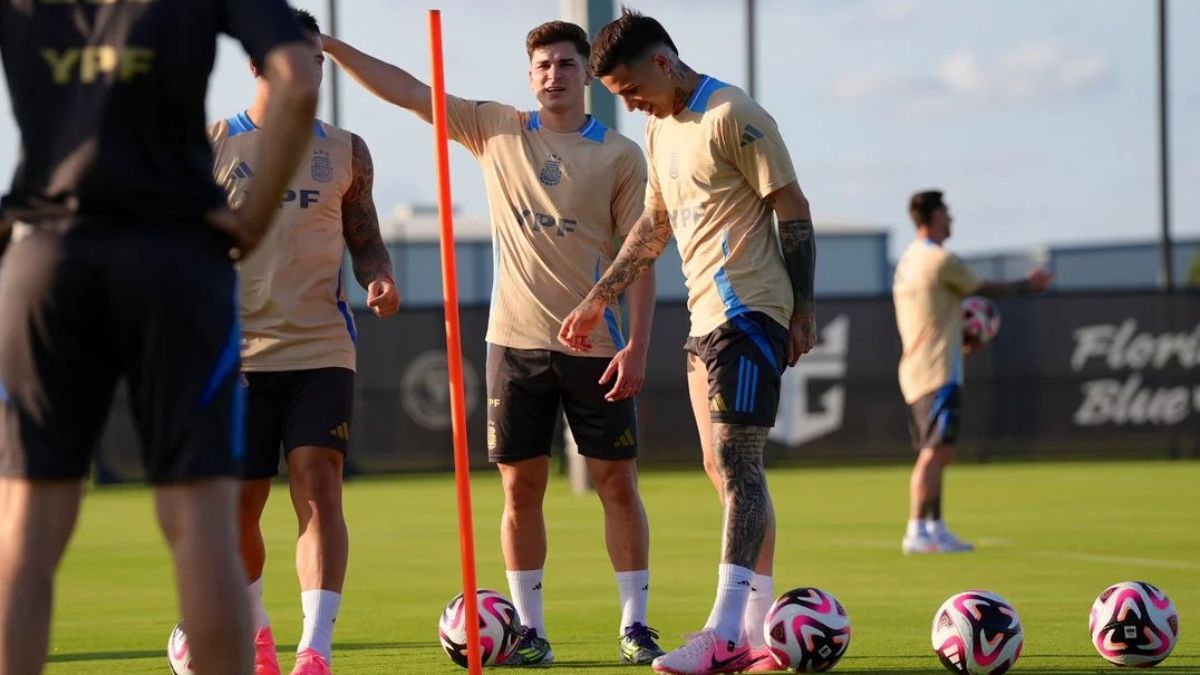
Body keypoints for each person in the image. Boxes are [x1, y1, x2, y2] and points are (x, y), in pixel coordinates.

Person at [322, 20, 664, 666]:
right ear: (529, 75)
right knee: (520, 490)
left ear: (587, 75)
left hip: (597, 347)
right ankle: (529, 628)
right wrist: (334, 49)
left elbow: (639, 257)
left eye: (566, 64)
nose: (553, 75)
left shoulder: (621, 155)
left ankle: (635, 624)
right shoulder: (496, 128)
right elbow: (408, 91)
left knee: (617, 484)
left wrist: (637, 345)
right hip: (514, 343)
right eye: (542, 66)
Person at [0, 2, 319, 674]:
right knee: (201, 520)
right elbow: (295, 73)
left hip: (46, 257)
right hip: (176, 260)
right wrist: (254, 221)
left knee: (28, 524)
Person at [560, 8, 817, 674]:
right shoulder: (659, 132)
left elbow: (792, 207)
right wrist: (597, 299)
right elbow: (654, 225)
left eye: (631, 90)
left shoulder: (733, 114)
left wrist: (802, 306)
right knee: (724, 468)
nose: (631, 104)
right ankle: (758, 637)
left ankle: (725, 629)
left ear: (664, 63)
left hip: (751, 310)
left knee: (737, 463)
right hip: (703, 320)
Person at [200, 9, 397, 675]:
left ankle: (315, 647)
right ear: (258, 63)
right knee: (238, 505)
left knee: (319, 484)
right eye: (296, 56)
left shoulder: (345, 148)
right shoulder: (215, 141)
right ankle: (257, 635)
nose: (310, 68)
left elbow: (364, 241)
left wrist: (381, 280)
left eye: (317, 58)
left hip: (322, 347)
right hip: (237, 353)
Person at [893, 190, 1051, 555]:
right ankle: (916, 529)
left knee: (940, 450)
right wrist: (1030, 284)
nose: (952, 219)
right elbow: (984, 288)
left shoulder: (909, 261)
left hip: (918, 367)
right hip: (937, 369)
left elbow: (932, 312)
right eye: (947, 212)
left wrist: (960, 332)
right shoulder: (939, 259)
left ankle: (934, 527)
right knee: (934, 452)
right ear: (933, 217)